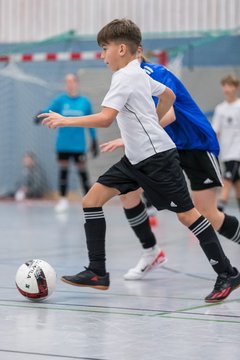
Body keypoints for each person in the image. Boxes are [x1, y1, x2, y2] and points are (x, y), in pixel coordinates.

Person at [39, 19, 240, 303]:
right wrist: (152, 121)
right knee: (92, 199)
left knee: (189, 215)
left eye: (104, 48)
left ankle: (228, 273)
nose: (101, 55)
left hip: (158, 159)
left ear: (121, 49)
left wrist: (65, 120)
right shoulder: (138, 72)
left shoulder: (123, 77)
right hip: (136, 159)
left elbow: (106, 117)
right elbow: (168, 95)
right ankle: (98, 271)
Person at [100, 57, 240, 281]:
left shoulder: (154, 72)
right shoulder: (126, 77)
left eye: (109, 48)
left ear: (135, 50)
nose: (107, 54)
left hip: (195, 145)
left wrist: (127, 138)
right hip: (166, 146)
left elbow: (169, 114)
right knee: (128, 194)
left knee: (207, 214)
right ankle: (151, 252)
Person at [35, 73, 99, 212]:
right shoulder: (61, 100)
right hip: (63, 144)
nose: (70, 84)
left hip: (79, 144)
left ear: (77, 83)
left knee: (82, 172)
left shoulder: (84, 102)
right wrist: (40, 114)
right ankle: (63, 200)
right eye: (67, 82)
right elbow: (49, 110)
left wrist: (94, 140)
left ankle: (90, 200)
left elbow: (91, 122)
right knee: (63, 171)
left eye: (72, 81)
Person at [212, 75, 240, 212]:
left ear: (236, 88)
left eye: (230, 85)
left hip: (237, 152)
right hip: (226, 153)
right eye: (225, 85)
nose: (227, 89)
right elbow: (215, 131)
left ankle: (217, 214)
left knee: (227, 180)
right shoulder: (220, 109)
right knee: (237, 183)